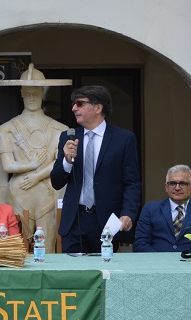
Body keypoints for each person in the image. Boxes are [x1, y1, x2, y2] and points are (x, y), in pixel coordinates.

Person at [50, 85, 141, 253]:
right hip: (74, 220)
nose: (74, 108)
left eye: (80, 104)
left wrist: (128, 213)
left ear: (98, 107)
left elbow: (132, 182)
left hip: (107, 221)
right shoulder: (68, 137)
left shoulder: (124, 139)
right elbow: (56, 181)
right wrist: (67, 161)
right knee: (74, 276)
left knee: (104, 273)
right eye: (74, 104)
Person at [0, 64, 70, 253]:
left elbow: (61, 161)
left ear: (42, 92)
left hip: (49, 195)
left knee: (49, 250)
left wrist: (38, 175)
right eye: (27, 93)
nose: (31, 97)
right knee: (18, 251)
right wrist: (32, 164)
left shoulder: (60, 129)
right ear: (21, 93)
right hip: (19, 194)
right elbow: (7, 165)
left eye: (35, 93)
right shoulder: (6, 129)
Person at [133, 165, 191, 252]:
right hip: (156, 263)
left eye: (183, 183)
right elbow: (140, 244)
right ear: (166, 187)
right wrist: (160, 261)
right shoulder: (150, 209)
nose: (177, 188)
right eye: (172, 183)